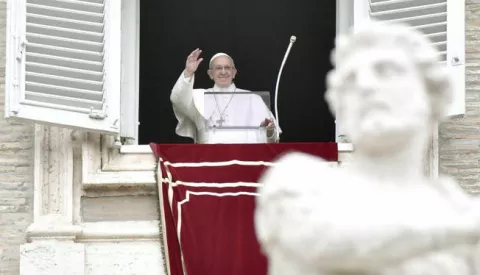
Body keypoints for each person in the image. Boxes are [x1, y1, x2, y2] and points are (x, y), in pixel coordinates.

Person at [254, 21, 480, 275]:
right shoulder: (300, 181)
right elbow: (327, 241)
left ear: (431, 93)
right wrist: (464, 227)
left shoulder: (455, 203)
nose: (364, 86)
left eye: (386, 70)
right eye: (350, 80)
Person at [170, 49, 281, 144]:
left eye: (227, 68)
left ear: (234, 73)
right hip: (209, 160)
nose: (223, 72)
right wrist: (188, 72)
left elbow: (272, 138)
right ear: (210, 74)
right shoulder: (199, 97)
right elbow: (178, 100)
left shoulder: (253, 99)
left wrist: (269, 131)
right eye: (218, 68)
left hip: (244, 160)